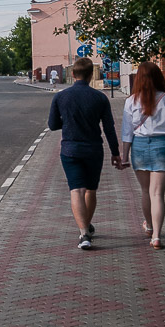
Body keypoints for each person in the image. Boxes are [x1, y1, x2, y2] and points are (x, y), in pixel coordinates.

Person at [47, 57, 124, 250]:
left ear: (73, 74)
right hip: (93, 150)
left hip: (70, 150)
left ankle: (83, 234)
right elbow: (109, 127)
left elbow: (53, 125)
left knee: (76, 190)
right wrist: (115, 152)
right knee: (90, 189)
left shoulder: (60, 97)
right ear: (91, 75)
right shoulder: (100, 98)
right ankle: (86, 227)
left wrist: (69, 121)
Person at [119, 61, 165, 249]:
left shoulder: (130, 101)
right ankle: (156, 237)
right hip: (162, 145)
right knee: (157, 193)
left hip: (139, 147)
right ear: (158, 77)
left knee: (145, 191)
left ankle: (149, 225)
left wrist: (124, 157)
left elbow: (127, 133)